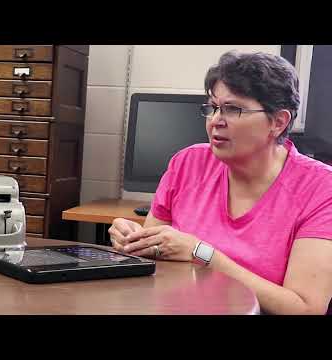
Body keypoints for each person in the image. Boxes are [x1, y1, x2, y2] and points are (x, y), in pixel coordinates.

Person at [109, 50, 332, 315]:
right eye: (213, 107)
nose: (216, 120)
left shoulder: (320, 188)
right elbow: (155, 255)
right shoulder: (187, 163)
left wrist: (202, 253)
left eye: (232, 109)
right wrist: (131, 242)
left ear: (278, 122)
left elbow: (305, 309)